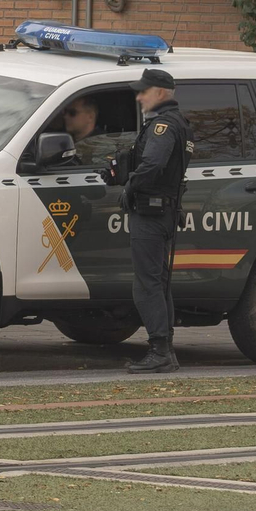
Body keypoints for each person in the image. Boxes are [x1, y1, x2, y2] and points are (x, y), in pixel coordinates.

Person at [103, 67, 193, 374]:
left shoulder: (163, 127)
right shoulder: (175, 123)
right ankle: (165, 349)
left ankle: (160, 352)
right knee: (158, 282)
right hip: (162, 211)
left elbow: (154, 163)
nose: (139, 96)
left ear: (160, 93)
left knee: (146, 285)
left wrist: (130, 186)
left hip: (151, 213)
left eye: (144, 90)